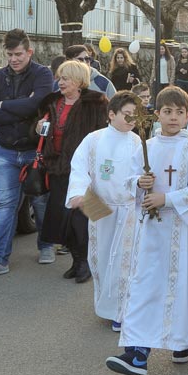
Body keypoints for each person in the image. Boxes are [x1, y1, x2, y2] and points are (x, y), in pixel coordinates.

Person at [106, 86, 188, 375]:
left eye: (180, 112)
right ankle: (137, 354)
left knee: (183, 288)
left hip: (183, 233)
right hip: (152, 235)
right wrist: (139, 184)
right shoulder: (147, 147)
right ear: (157, 114)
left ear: (187, 115)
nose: (173, 118)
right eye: (167, 112)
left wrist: (166, 199)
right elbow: (129, 180)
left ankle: (182, 341)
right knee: (145, 287)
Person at [0, 28, 53, 277]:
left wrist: (4, 105)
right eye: (10, 54)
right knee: (5, 204)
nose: (14, 59)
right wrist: (23, 107)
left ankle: (46, 244)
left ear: (29, 51)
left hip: (34, 151)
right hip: (5, 151)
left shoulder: (43, 74)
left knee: (40, 201)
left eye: (18, 54)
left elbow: (37, 104)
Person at [66, 91, 141, 331]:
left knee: (125, 262)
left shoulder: (137, 142)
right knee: (101, 259)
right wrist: (78, 192)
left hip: (128, 209)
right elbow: (79, 167)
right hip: (100, 208)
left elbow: (142, 174)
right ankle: (107, 307)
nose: (131, 120)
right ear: (111, 114)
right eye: (126, 115)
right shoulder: (94, 140)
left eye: (135, 116)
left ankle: (123, 311)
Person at [37, 60, 108, 282]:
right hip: (58, 169)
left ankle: (86, 262)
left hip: (84, 171)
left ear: (78, 81)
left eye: (65, 78)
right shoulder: (53, 103)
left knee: (83, 219)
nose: (60, 82)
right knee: (63, 218)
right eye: (59, 78)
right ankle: (77, 261)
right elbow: (43, 135)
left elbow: (103, 136)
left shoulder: (95, 104)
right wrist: (38, 129)